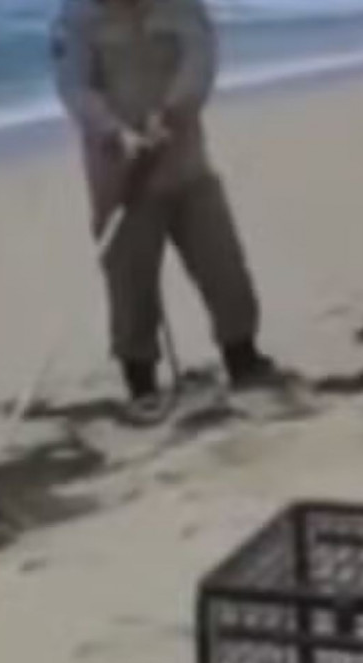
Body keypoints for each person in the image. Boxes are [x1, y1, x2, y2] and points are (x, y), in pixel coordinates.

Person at [50, 0, 285, 423]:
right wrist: (114, 132)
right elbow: (75, 88)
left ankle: (243, 358)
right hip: (123, 178)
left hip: (186, 165)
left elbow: (200, 59)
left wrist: (174, 112)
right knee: (131, 285)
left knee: (223, 265)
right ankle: (141, 384)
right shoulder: (77, 17)